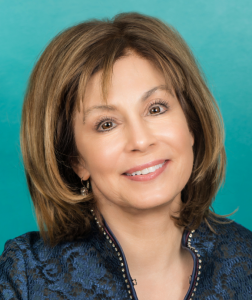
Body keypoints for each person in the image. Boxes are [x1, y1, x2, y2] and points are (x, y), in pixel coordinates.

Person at [0, 12, 251, 300]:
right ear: (75, 160)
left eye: (156, 109)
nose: (141, 141)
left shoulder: (248, 262)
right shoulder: (24, 278)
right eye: (106, 124)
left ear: (191, 125)